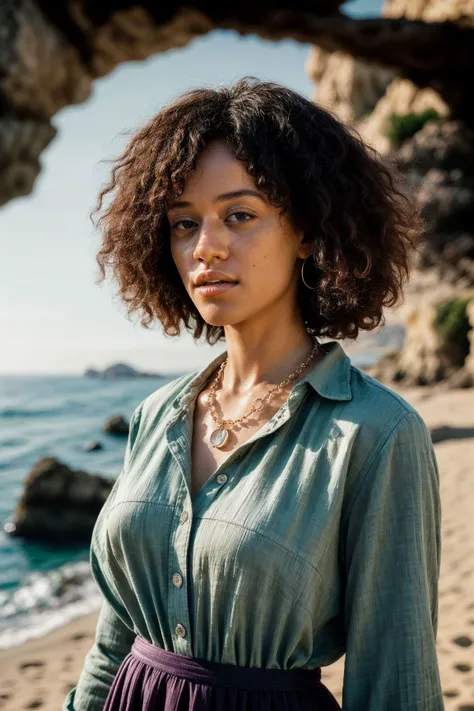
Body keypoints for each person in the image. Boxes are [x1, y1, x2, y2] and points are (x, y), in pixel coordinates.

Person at [63, 77, 443, 711]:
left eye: (240, 215)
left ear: (310, 232)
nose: (205, 248)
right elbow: (112, 643)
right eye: (185, 224)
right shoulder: (155, 416)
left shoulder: (378, 436)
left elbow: (396, 681)